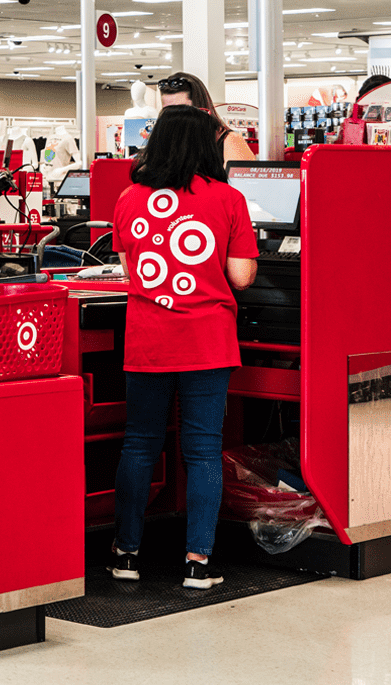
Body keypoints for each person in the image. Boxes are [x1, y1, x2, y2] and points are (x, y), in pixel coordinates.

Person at [108, 104, 259, 589]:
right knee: (202, 451)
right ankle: (198, 561)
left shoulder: (129, 197)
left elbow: (130, 269)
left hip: (149, 340)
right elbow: (241, 275)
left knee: (139, 446)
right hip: (207, 341)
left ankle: (126, 554)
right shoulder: (229, 199)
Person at [156, 71, 255, 163]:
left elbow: (241, 180)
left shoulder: (229, 141)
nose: (175, 117)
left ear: (200, 107)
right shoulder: (168, 143)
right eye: (168, 112)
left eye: (183, 110)